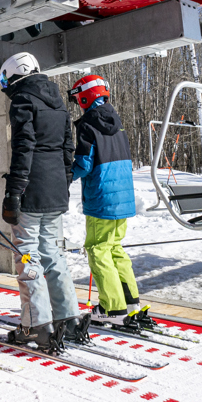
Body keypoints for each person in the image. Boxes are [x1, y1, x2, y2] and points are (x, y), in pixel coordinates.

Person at [0, 52, 84, 350]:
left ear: (14, 75)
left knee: (27, 256)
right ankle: (68, 318)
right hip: (55, 191)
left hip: (31, 191)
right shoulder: (58, 102)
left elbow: (24, 148)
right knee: (54, 254)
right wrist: (63, 184)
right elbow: (67, 149)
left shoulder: (23, 100)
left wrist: (14, 191)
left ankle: (36, 324)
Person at [69, 74, 141, 327]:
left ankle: (112, 308)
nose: (78, 104)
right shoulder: (117, 122)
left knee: (98, 249)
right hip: (123, 197)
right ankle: (130, 303)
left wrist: (64, 176)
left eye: (78, 98)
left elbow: (84, 163)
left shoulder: (88, 124)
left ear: (86, 97)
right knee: (115, 248)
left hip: (102, 198)